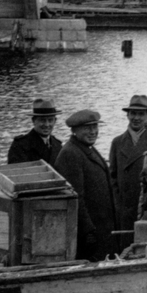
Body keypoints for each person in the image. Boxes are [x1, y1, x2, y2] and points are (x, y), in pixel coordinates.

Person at [52, 109, 118, 261]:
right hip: (89, 238)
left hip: (102, 232)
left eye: (95, 127)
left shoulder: (86, 148)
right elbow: (76, 198)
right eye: (87, 128)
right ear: (74, 130)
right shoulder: (70, 154)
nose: (93, 132)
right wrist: (88, 232)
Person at [109, 95, 147, 233]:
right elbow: (112, 177)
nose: (136, 118)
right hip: (124, 209)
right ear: (127, 115)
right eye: (133, 113)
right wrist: (118, 204)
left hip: (146, 209)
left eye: (141, 114)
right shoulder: (117, 142)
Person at [6, 99, 63, 165]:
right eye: (42, 120)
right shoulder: (20, 146)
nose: (47, 124)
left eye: (50, 120)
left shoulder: (57, 145)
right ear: (33, 120)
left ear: (55, 121)